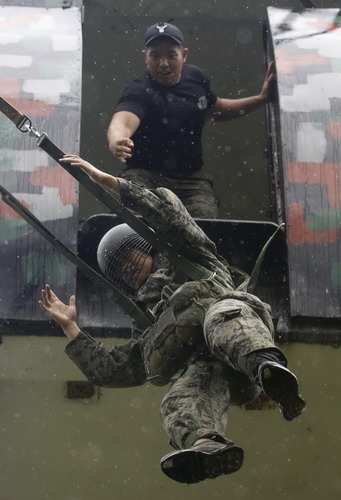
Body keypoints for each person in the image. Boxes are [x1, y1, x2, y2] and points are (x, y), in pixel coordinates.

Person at [39, 153, 306, 484]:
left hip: (241, 332)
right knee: (177, 400)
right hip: (223, 378)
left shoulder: (191, 254)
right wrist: (70, 327)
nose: (127, 267)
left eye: (129, 255)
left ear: (146, 246)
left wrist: (110, 183)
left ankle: (270, 370)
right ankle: (206, 445)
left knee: (220, 315)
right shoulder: (149, 323)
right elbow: (114, 370)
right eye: (120, 270)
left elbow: (168, 213)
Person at [107, 22, 276, 218]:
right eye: (155, 56)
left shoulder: (196, 78)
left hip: (191, 181)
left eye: (171, 55)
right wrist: (116, 140)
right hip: (144, 175)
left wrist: (261, 99)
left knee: (205, 223)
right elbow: (122, 121)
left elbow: (217, 109)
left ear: (184, 55)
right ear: (145, 56)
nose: (163, 63)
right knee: (132, 221)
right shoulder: (140, 91)